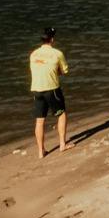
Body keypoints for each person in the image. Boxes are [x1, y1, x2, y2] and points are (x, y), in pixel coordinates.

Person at [30, 27, 69, 158]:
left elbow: (36, 70)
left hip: (36, 89)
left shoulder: (33, 54)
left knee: (39, 121)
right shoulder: (57, 53)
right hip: (51, 88)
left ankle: (41, 151)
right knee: (61, 114)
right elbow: (64, 71)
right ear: (52, 39)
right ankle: (62, 144)